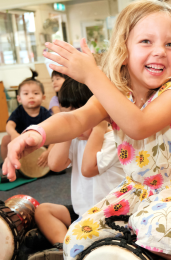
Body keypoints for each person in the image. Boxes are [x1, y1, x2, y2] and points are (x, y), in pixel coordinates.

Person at [3, 1, 171, 259]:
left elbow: (138, 125)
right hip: (139, 192)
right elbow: (74, 120)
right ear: (123, 49)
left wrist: (93, 76)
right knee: (78, 235)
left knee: (156, 230)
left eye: (170, 44)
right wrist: (35, 133)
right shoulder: (117, 95)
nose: (160, 51)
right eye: (146, 42)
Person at [25, 78, 125, 260]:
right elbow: (55, 165)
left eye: (78, 113)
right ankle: (62, 246)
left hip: (109, 216)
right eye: (67, 112)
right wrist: (67, 133)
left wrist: (98, 129)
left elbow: (88, 169)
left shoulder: (114, 140)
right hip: (83, 212)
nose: (73, 119)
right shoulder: (76, 139)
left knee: (95, 238)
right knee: (43, 211)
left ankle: (73, 248)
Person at [0, 69, 52, 168]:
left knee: (56, 139)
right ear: (19, 99)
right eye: (26, 94)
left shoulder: (44, 112)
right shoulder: (19, 111)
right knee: (6, 139)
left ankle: (50, 161)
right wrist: (14, 134)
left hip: (40, 141)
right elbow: (9, 125)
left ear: (43, 97)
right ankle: (7, 165)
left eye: (36, 93)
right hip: (21, 141)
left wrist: (49, 151)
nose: (31, 96)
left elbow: (54, 129)